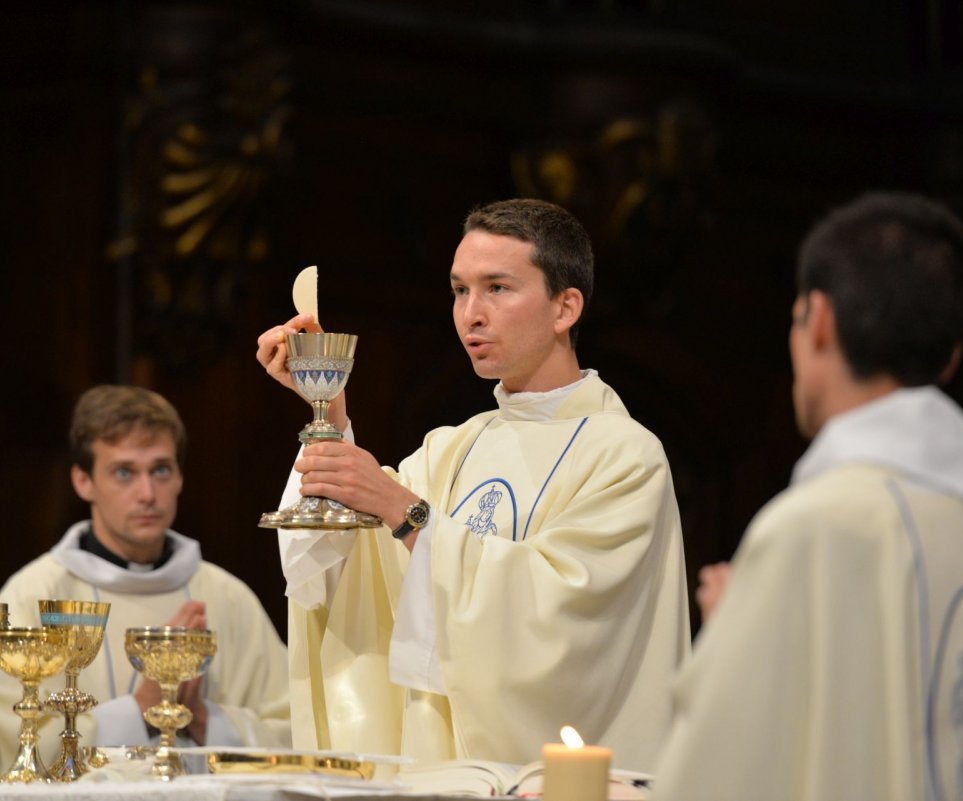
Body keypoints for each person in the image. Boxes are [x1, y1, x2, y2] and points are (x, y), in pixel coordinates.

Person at [256, 198, 690, 770]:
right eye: (460, 290)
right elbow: (344, 570)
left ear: (565, 307)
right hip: (439, 768)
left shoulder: (625, 457)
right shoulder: (452, 447)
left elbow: (566, 625)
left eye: (497, 288)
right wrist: (329, 416)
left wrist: (406, 514)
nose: (471, 314)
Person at [651, 192, 963, 801]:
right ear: (951, 353)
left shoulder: (816, 526)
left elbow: (718, 773)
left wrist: (733, 643)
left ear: (819, 319)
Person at [0, 385, 290, 773]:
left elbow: (293, 732)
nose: (147, 493)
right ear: (83, 481)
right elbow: (2, 740)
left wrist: (202, 719)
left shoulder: (228, 596)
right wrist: (141, 709)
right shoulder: (35, 594)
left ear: (179, 478)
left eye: (160, 470)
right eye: (124, 472)